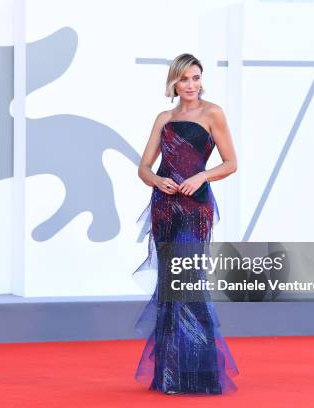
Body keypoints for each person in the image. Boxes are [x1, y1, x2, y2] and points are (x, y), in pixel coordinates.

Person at [133, 53, 240, 395]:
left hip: (195, 206)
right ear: (174, 83)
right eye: (184, 79)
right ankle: (170, 376)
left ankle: (204, 375)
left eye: (196, 78)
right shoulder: (164, 118)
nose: (191, 85)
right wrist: (155, 181)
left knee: (189, 284)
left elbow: (231, 163)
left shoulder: (213, 114)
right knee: (170, 287)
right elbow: (144, 167)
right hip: (165, 206)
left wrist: (201, 176)